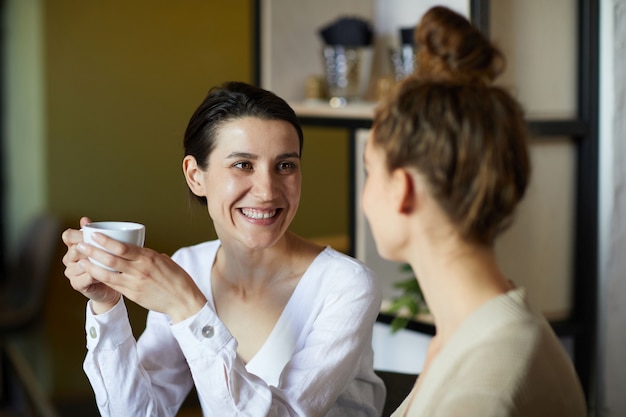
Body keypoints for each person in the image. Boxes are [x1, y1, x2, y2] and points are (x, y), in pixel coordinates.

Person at [61, 81, 385, 416]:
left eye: (285, 165)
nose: (267, 191)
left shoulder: (346, 285)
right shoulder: (188, 267)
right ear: (194, 176)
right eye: (243, 164)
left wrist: (187, 306)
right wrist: (107, 304)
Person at [361, 6, 587, 417]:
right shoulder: (472, 333)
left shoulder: (484, 390)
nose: (365, 197)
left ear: (402, 190)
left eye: (369, 171)